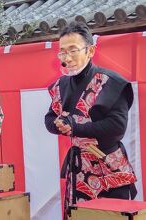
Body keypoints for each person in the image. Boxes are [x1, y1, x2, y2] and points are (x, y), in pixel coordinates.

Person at [44, 21, 137, 219]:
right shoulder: (60, 85)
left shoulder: (110, 82)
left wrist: (75, 127)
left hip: (108, 167)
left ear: (90, 50)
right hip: (78, 169)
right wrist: (58, 125)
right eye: (62, 52)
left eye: (73, 50)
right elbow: (50, 117)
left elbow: (117, 127)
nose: (66, 58)